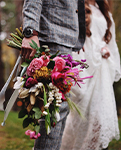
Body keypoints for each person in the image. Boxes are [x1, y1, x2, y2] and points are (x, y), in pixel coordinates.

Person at [21, 0, 86, 149]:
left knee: (60, 109)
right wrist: (31, 31)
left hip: (65, 38)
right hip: (51, 32)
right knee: (55, 110)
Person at [60, 0, 121, 150]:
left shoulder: (104, 11)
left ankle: (96, 146)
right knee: (82, 117)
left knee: (100, 114)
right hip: (84, 66)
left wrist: (106, 51)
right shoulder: (77, 6)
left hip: (102, 70)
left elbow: (110, 42)